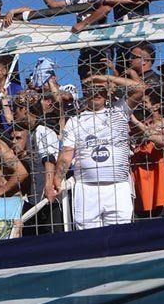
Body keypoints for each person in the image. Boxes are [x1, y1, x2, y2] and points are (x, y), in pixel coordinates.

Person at [50, 83, 134, 230]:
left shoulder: (120, 111)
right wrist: (56, 180)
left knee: (121, 237)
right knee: (88, 240)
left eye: (101, 89)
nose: (97, 93)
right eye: (92, 89)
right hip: (86, 189)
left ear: (107, 90)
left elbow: (139, 89)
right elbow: (67, 154)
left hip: (118, 186)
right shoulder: (75, 121)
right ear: (85, 91)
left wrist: (105, 79)